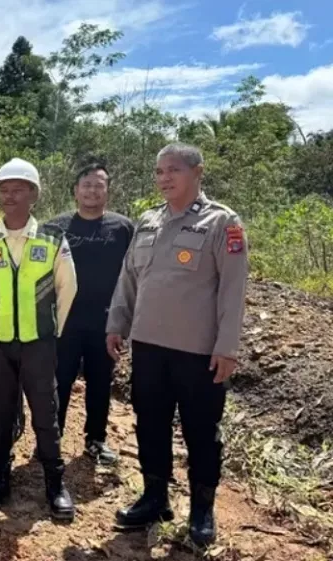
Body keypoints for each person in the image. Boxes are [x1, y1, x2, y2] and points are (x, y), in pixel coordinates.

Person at [107, 143, 249, 547]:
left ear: (197, 172)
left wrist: (227, 347)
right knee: (149, 423)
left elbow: (233, 290)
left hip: (198, 352)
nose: (164, 178)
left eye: (173, 170)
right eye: (158, 171)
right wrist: (116, 322)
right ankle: (155, 497)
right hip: (149, 347)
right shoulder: (148, 221)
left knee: (201, 431)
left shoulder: (223, 222)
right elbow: (128, 280)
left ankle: (202, 509)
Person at [0, 157, 78, 521]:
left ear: (33, 194)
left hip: (39, 344)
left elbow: (67, 289)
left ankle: (55, 484)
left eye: (18, 189)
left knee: (45, 415)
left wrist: (50, 331)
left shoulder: (52, 239)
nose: (9, 196)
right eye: (4, 189)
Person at [46, 162, 134, 465]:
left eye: (99, 185)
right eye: (87, 184)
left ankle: (95, 439)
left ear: (107, 190)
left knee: (100, 382)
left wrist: (125, 321)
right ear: (75, 190)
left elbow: (133, 274)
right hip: (64, 321)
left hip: (106, 323)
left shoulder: (122, 228)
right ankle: (50, 438)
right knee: (59, 380)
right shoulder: (56, 227)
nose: (92, 190)